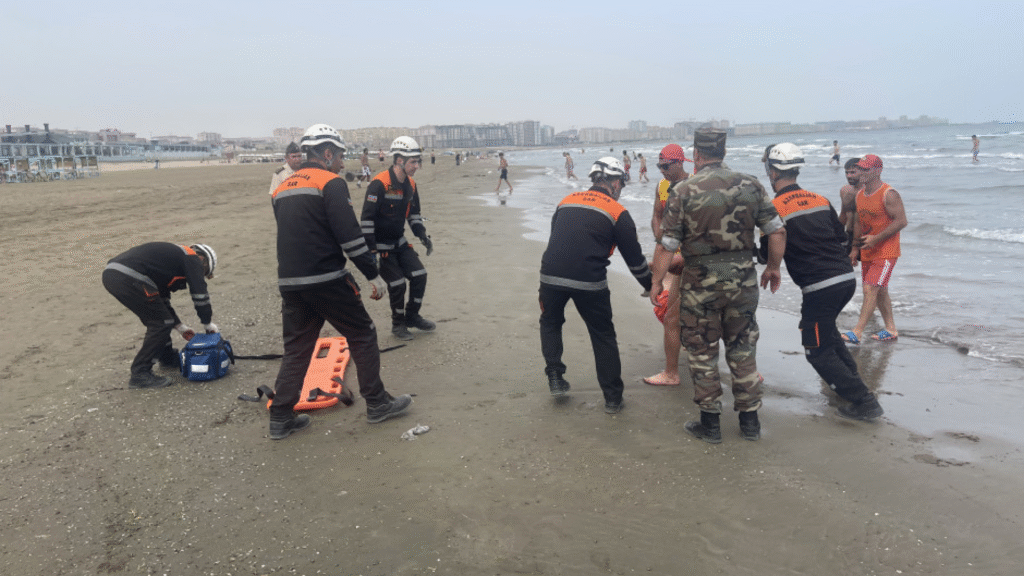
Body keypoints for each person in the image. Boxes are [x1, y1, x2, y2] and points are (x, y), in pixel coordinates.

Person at [269, 123, 412, 439]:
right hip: (327, 279)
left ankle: (280, 417)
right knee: (362, 334)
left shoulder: (282, 187)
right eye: (340, 156)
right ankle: (377, 403)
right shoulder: (331, 183)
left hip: (290, 282)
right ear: (327, 153)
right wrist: (373, 275)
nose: (341, 162)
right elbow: (350, 237)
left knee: (297, 348)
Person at [650, 129, 785, 443]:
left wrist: (657, 281)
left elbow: (666, 244)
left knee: (702, 350)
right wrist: (773, 267)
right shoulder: (751, 184)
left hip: (701, 282)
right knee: (743, 348)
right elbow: (777, 231)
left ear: (696, 154)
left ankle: (710, 424)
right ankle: (750, 423)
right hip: (742, 281)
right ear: (723, 152)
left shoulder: (683, 190)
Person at [762, 143, 884, 420]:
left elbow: (766, 252)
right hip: (845, 280)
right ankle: (850, 387)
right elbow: (841, 238)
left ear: (772, 173)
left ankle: (864, 401)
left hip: (820, 287)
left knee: (815, 348)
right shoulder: (819, 199)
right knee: (827, 334)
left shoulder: (773, 207)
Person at [539, 157, 652, 414]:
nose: (621, 189)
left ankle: (555, 377)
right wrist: (650, 285)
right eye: (622, 183)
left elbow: (558, 237)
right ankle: (612, 399)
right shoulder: (617, 212)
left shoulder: (566, 201)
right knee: (602, 335)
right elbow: (635, 261)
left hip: (550, 276)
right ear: (615, 182)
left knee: (550, 323)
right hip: (589, 280)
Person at [102, 242, 219, 389]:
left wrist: (180, 327)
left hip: (113, 275)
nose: (200, 275)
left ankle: (167, 357)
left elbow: (161, 303)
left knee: (160, 320)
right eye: (204, 272)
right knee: (161, 323)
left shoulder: (167, 263)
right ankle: (140, 373)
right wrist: (207, 323)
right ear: (204, 259)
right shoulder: (192, 258)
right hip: (127, 276)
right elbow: (200, 295)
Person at [361, 136, 436, 341]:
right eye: (413, 162)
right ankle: (398, 324)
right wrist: (371, 252)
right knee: (397, 284)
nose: (417, 166)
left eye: (418, 161)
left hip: (399, 243)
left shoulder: (411, 185)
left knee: (420, 275)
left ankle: (412, 317)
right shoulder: (379, 184)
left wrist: (422, 235)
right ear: (399, 161)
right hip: (381, 247)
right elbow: (366, 220)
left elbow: (414, 215)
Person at [844, 154, 908, 344]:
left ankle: (857, 332)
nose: (861, 172)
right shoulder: (860, 194)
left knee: (870, 288)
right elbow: (859, 223)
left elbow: (901, 221)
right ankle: (891, 329)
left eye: (866, 169)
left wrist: (876, 239)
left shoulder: (889, 194)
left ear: (878, 170)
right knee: (880, 290)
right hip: (868, 250)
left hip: (886, 251)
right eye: (860, 168)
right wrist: (855, 249)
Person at [644, 144, 690, 387]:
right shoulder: (662, 186)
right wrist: (659, 237)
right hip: (671, 253)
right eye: (658, 165)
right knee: (669, 311)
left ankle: (672, 373)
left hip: (688, 258)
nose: (661, 170)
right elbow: (657, 215)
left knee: (673, 314)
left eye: (665, 166)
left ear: (680, 163)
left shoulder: (694, 185)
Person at [837, 157, 862, 251]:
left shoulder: (869, 193)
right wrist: (834, 234)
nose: (849, 176)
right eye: (846, 173)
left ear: (863, 172)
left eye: (852, 172)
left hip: (865, 237)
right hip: (848, 236)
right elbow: (843, 215)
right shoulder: (844, 190)